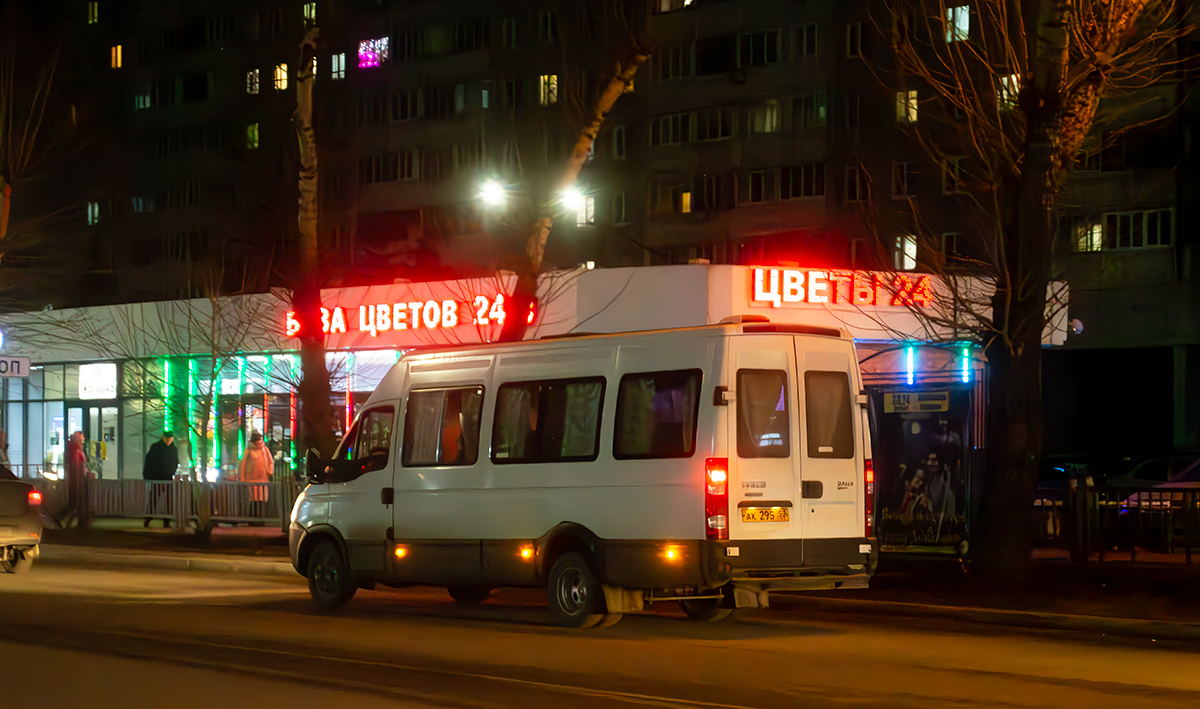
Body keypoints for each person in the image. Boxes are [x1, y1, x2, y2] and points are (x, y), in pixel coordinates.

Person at [142, 431, 179, 528]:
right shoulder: (173, 449)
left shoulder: (156, 447)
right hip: (164, 477)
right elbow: (175, 462)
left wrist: (147, 476)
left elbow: (149, 462)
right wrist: (171, 472)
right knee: (164, 500)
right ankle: (162, 520)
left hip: (158, 477)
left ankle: (150, 518)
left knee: (156, 500)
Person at [237, 430, 273, 519]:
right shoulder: (248, 450)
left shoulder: (264, 449)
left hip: (263, 479)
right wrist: (242, 478)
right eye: (258, 439)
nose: (260, 441)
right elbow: (243, 465)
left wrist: (269, 471)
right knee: (253, 501)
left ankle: (261, 518)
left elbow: (270, 461)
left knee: (261, 501)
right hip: (251, 480)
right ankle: (254, 518)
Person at [64, 431, 88, 527]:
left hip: (77, 476)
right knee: (77, 497)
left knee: (77, 497)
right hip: (77, 477)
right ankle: (75, 518)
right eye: (81, 437)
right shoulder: (75, 448)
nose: (83, 439)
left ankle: (74, 517)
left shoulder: (74, 448)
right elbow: (76, 463)